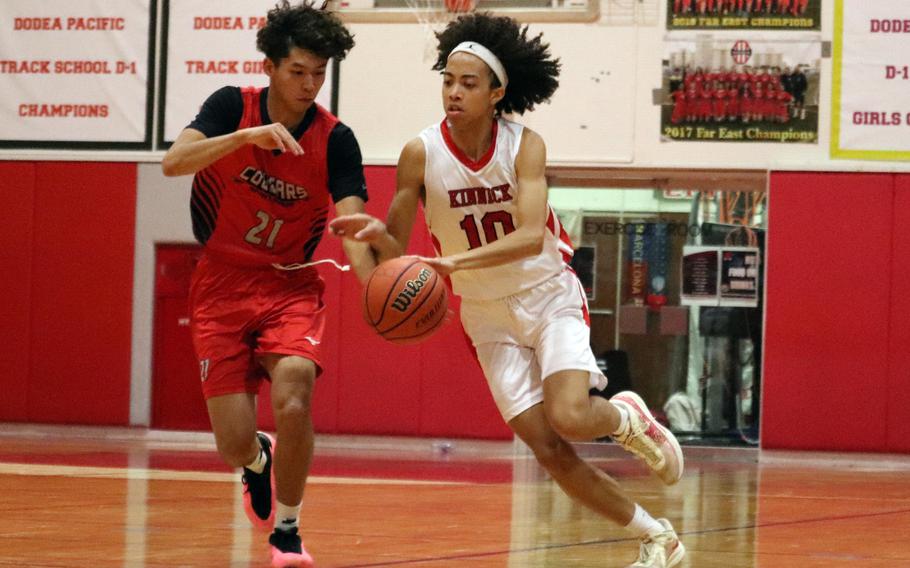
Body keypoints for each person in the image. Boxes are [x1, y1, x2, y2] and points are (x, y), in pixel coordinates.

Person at [329, 14, 685, 568]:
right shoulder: (419, 153)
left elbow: (525, 237)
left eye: (468, 83)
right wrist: (378, 235)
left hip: (548, 294)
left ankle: (625, 420)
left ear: (497, 92)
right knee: (549, 449)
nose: (453, 91)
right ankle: (656, 536)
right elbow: (397, 245)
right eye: (447, 80)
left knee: (570, 415)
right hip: (487, 315)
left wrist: (450, 262)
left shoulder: (525, 146)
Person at [161, 2, 374, 566]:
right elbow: (175, 161)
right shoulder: (232, 106)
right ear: (272, 67)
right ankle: (257, 460)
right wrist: (245, 137)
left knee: (295, 394)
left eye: (319, 74)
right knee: (231, 444)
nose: (309, 84)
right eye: (298, 71)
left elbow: (351, 222)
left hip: (289, 285)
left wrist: (375, 274)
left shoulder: (338, 139)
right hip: (220, 283)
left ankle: (288, 527)